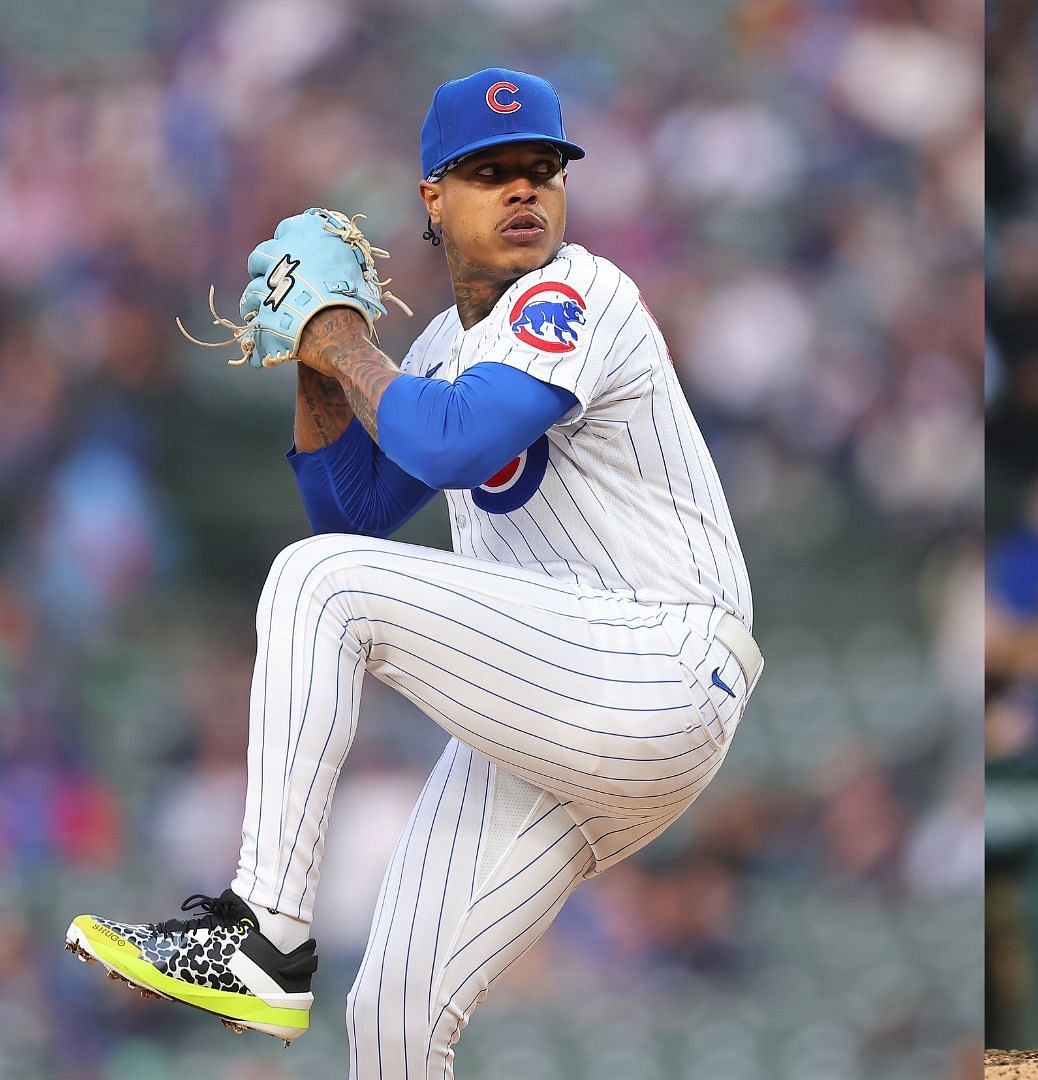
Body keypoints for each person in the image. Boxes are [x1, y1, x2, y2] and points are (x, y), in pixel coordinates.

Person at [64, 67, 761, 1077]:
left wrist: (344, 339)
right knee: (392, 1011)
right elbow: (347, 511)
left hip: (657, 663)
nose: (524, 190)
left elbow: (449, 450)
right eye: (491, 173)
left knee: (319, 584)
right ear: (433, 198)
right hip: (554, 722)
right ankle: (279, 955)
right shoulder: (438, 349)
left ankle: (262, 933)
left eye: (541, 170)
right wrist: (313, 355)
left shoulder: (584, 292)